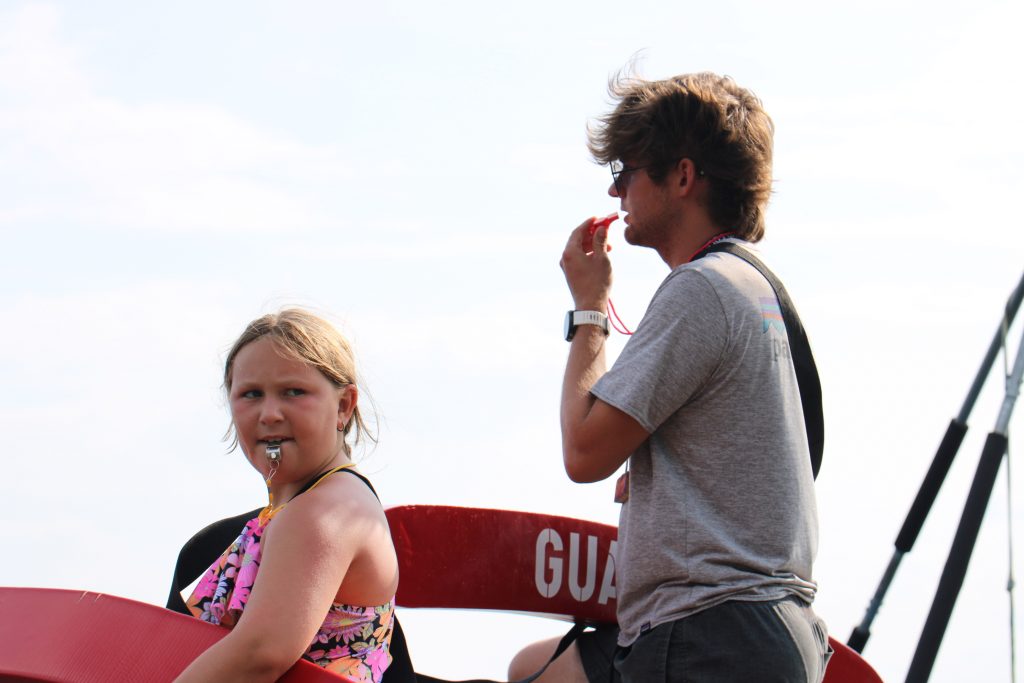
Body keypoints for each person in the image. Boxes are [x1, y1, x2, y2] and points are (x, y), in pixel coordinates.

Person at [509, 71, 830, 682]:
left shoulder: (699, 289)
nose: (617, 191)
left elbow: (583, 451)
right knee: (537, 671)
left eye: (627, 170)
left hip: (708, 633)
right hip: (765, 629)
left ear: (682, 177)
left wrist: (590, 309)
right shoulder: (757, 288)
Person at [174, 308, 399, 683]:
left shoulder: (326, 511)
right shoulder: (307, 506)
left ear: (344, 405)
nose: (270, 413)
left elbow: (260, 654)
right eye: (251, 394)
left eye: (293, 392)